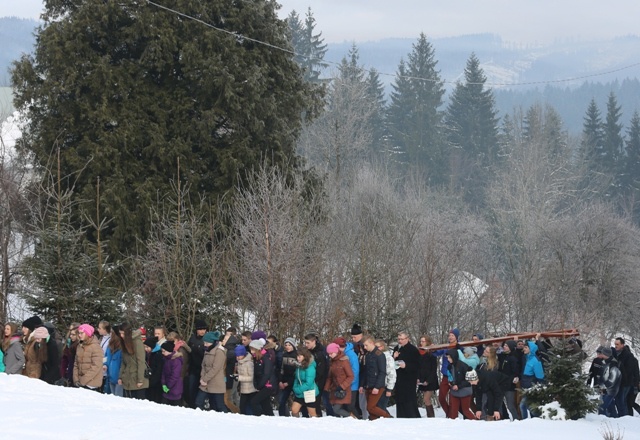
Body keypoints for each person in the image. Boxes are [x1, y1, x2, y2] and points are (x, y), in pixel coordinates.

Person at [359, 336, 391, 420]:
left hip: (377, 385)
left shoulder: (379, 355)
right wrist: (362, 385)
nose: (364, 347)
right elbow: (365, 372)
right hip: (368, 385)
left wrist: (377, 387)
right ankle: (374, 421)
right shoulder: (368, 355)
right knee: (370, 409)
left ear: (371, 343)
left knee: (370, 407)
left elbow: (382, 372)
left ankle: (387, 417)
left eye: (366, 345)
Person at [196, 331, 228, 412]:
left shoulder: (219, 352)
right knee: (198, 403)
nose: (205, 345)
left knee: (219, 406)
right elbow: (203, 365)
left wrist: (205, 379)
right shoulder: (207, 351)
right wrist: (202, 378)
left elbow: (215, 368)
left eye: (207, 343)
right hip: (205, 383)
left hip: (216, 383)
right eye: (204, 342)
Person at [433, 328, 461, 416]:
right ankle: (449, 413)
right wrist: (433, 349)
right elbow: (437, 353)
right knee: (441, 397)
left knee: (452, 399)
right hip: (445, 375)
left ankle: (453, 416)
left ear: (456, 337)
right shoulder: (446, 346)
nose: (450, 337)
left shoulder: (460, 347)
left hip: (455, 376)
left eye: (452, 335)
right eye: (449, 335)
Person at [392, 331, 420, 418]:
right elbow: (392, 363)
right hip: (399, 377)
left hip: (409, 378)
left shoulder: (413, 350)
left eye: (402, 339)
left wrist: (406, 366)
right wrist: (394, 357)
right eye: (398, 339)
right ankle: (401, 417)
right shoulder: (397, 348)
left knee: (409, 400)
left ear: (407, 339)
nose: (400, 341)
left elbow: (417, 365)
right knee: (399, 399)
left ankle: (412, 417)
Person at [118, 322, 149, 399]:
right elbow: (124, 362)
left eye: (123, 334)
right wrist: (120, 377)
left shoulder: (137, 342)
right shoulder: (124, 342)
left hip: (137, 381)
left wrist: (140, 380)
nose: (121, 336)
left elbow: (141, 362)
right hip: (127, 380)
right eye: (120, 334)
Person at [325, 342, 354, 417]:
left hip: (343, 389)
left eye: (331, 353)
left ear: (336, 351)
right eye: (328, 353)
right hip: (335, 389)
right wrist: (326, 387)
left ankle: (351, 417)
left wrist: (342, 386)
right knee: (336, 409)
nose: (329, 355)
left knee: (336, 409)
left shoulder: (344, 361)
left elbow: (350, 376)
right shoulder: (332, 362)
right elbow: (330, 377)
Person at [249, 338, 277, 416]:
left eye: (253, 349)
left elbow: (266, 373)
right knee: (265, 404)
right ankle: (270, 418)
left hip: (268, 385)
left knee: (254, 401)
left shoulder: (266, 358)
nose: (251, 351)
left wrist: (260, 385)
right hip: (262, 385)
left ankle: (258, 417)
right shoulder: (256, 358)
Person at [304, 333, 330, 416]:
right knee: (309, 402)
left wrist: (313, 379)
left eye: (308, 343)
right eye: (305, 343)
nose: (306, 345)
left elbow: (321, 370)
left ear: (314, 341)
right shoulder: (308, 352)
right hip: (310, 380)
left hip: (318, 381)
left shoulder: (320, 353)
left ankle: (318, 418)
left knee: (316, 402)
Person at [445, 348, 475, 420]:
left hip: (465, 390)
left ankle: (475, 423)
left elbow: (469, 379)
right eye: (447, 357)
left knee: (466, 411)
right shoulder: (450, 366)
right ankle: (454, 426)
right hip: (455, 391)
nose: (448, 359)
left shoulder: (463, 366)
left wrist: (458, 386)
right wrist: (451, 383)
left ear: (454, 356)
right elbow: (450, 377)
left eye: (449, 357)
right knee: (453, 411)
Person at [73, 324, 103, 390]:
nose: (79, 335)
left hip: (91, 384)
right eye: (79, 333)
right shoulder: (80, 346)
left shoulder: (96, 347)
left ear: (87, 333)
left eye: (82, 333)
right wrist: (76, 379)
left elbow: (96, 366)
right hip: (80, 383)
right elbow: (76, 364)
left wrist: (83, 381)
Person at [519, 338, 545, 419]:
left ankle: (529, 421)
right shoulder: (526, 358)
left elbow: (540, 376)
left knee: (523, 405)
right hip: (525, 386)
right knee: (528, 406)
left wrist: (537, 387)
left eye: (526, 347)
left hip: (531, 387)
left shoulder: (536, 361)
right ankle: (532, 421)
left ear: (531, 349)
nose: (524, 349)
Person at [292, 346, 319, 417]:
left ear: (305, 356)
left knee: (312, 414)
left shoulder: (310, 367)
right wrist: (295, 387)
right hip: (300, 393)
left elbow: (309, 383)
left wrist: (299, 389)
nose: (298, 358)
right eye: (297, 356)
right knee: (294, 410)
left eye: (300, 356)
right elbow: (296, 378)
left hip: (309, 392)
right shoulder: (298, 366)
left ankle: (315, 426)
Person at [613, 337, 637, 417]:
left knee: (623, 401)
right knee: (620, 401)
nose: (616, 346)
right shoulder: (615, 354)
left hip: (626, 382)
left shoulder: (628, 356)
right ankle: (623, 416)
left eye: (617, 344)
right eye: (615, 344)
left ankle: (625, 417)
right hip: (618, 381)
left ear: (622, 345)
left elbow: (629, 370)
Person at [187, 319, 208, 408]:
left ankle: (200, 406)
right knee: (191, 388)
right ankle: (192, 405)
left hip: (203, 369)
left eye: (204, 329)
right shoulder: (192, 339)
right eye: (200, 329)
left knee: (202, 390)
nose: (202, 331)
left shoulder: (207, 340)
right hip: (193, 368)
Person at [498, 340, 521, 420]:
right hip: (500, 384)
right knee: (499, 404)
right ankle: (500, 419)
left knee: (510, 405)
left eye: (506, 346)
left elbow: (515, 372)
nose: (504, 347)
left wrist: (510, 380)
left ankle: (516, 419)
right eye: (504, 345)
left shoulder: (513, 358)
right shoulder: (502, 356)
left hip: (509, 385)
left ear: (510, 347)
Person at [417, 335, 439, 418]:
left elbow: (433, 369)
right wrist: (418, 378)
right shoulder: (419, 353)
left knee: (427, 399)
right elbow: (418, 367)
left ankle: (431, 416)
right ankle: (429, 416)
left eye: (423, 341)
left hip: (430, 379)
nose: (421, 343)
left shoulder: (431, 354)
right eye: (421, 341)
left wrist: (428, 380)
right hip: (422, 378)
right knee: (425, 399)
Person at [596, 346, 621, 417]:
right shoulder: (604, 362)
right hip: (604, 387)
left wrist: (606, 385)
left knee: (602, 406)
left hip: (611, 389)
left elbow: (613, 378)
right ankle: (614, 419)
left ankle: (602, 421)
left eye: (603, 353)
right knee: (610, 406)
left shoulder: (613, 364)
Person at [349, 323, 367, 419]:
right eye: (352, 337)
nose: (353, 339)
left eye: (355, 337)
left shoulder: (363, 345)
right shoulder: (354, 346)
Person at [375, 339, 396, 416]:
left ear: (382, 347)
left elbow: (392, 374)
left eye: (377, 347)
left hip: (385, 385)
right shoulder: (376, 357)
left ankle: (388, 418)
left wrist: (389, 389)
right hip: (378, 385)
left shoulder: (388, 358)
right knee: (378, 406)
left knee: (381, 407)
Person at [278, 337, 298, 416]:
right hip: (284, 382)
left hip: (294, 382)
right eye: (286, 345)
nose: (287, 346)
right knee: (281, 401)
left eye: (289, 345)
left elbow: (296, 372)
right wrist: (280, 381)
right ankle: (282, 416)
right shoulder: (284, 355)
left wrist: (288, 383)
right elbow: (281, 369)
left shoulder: (296, 355)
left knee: (298, 401)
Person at [222, 327, 240, 413]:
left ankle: (238, 412)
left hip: (229, 378)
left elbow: (225, 366)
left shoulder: (230, 352)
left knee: (227, 400)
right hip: (229, 377)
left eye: (226, 338)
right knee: (233, 397)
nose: (223, 340)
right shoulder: (229, 350)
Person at [235, 344, 257, 415]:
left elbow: (251, 377)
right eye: (236, 356)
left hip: (251, 389)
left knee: (249, 407)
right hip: (243, 388)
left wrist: (240, 378)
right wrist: (236, 376)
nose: (237, 357)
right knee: (242, 407)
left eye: (239, 355)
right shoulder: (239, 362)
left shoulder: (249, 363)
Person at [160, 340, 184, 406]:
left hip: (175, 389)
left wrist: (168, 386)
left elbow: (175, 376)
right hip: (166, 390)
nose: (162, 353)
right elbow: (163, 373)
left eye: (164, 351)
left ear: (169, 351)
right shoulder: (166, 359)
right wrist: (163, 384)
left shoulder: (176, 361)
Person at [144, 336, 163, 403]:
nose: (146, 349)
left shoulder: (158, 355)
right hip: (150, 380)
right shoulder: (149, 354)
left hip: (155, 383)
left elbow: (158, 370)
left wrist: (152, 382)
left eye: (147, 347)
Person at [105, 325, 124, 396]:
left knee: (118, 399)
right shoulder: (109, 346)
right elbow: (106, 357)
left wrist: (121, 377)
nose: (110, 334)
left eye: (112, 333)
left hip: (119, 378)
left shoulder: (122, 347)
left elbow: (123, 363)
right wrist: (105, 364)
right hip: (110, 376)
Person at [97, 321, 111, 393]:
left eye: (100, 328)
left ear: (105, 329)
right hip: (99, 367)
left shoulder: (110, 340)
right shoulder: (101, 338)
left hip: (105, 368)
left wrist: (105, 363)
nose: (98, 329)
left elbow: (108, 354)